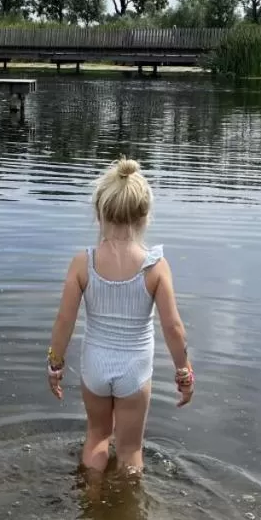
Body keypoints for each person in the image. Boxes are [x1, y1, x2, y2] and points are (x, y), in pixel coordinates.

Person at [47, 158, 193, 476]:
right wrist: (184, 371)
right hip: (134, 371)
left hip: (95, 367)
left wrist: (54, 363)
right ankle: (128, 518)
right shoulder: (155, 267)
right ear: (145, 216)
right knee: (130, 449)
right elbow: (173, 327)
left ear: (99, 212)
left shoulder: (82, 264)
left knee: (97, 438)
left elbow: (64, 321)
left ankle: (92, 500)